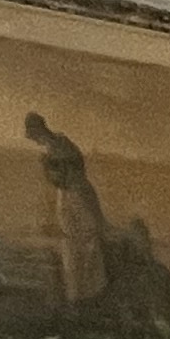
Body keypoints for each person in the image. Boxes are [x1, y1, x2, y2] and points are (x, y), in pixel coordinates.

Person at [23, 108, 108, 308]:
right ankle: (84, 297)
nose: (34, 140)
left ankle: (85, 299)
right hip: (75, 196)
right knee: (78, 245)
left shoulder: (57, 147)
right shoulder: (59, 144)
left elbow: (63, 178)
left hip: (76, 198)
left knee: (82, 246)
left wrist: (47, 168)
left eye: (33, 135)